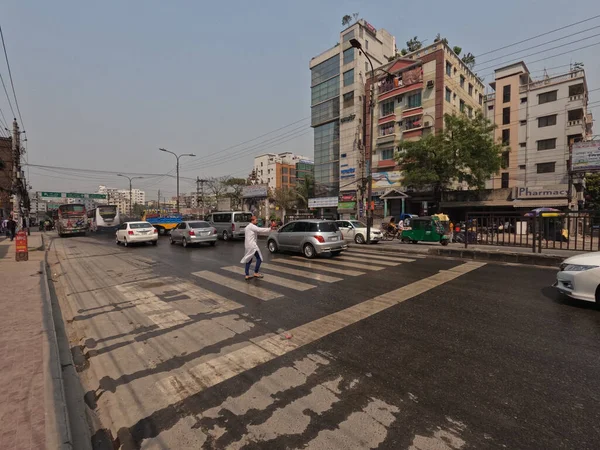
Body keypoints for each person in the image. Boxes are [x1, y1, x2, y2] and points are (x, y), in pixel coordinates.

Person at [240, 215, 272, 280]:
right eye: (255, 220)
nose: (256, 221)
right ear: (252, 220)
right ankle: (256, 272)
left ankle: (247, 274)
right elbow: (259, 229)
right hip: (253, 246)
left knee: (249, 259)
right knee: (259, 258)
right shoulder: (252, 226)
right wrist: (269, 229)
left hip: (247, 245)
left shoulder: (247, 227)